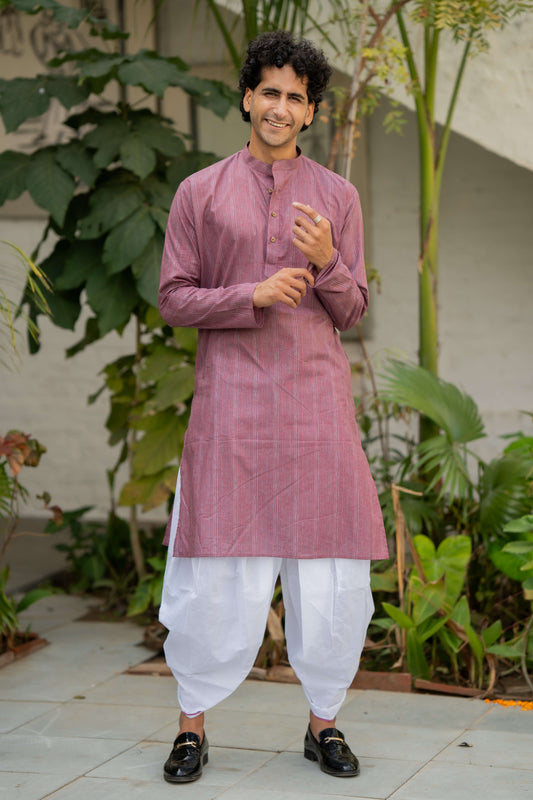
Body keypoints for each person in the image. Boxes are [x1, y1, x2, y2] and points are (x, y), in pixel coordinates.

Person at [158, 30, 388, 784]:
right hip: (231, 407)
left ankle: (322, 724)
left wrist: (324, 260)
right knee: (211, 572)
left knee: (329, 579)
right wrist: (247, 295)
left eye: (296, 97)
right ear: (247, 97)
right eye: (269, 92)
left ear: (311, 110)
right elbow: (173, 298)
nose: (280, 107)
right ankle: (190, 725)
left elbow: (352, 310)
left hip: (314, 406)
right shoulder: (199, 192)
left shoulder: (337, 198)